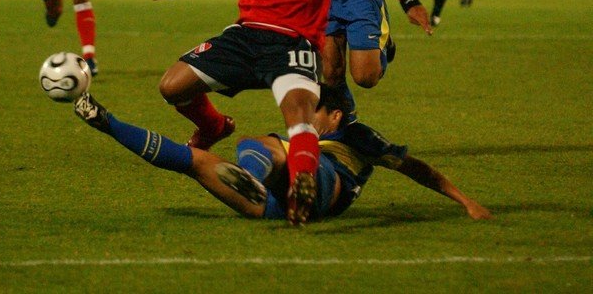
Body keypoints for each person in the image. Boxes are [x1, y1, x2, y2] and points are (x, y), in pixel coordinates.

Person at [145, 0, 432, 224]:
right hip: (246, 36)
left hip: (293, 43)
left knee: (299, 118)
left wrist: (408, 0)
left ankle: (303, 186)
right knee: (172, 86)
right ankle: (215, 126)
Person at [71, 85, 492, 223]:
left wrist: (464, 199)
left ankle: (269, 178)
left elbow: (414, 168)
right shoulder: (303, 134)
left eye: (315, 109)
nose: (306, 113)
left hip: (328, 185)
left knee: (260, 145)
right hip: (277, 207)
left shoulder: (357, 134)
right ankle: (107, 123)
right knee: (194, 162)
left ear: (336, 114)